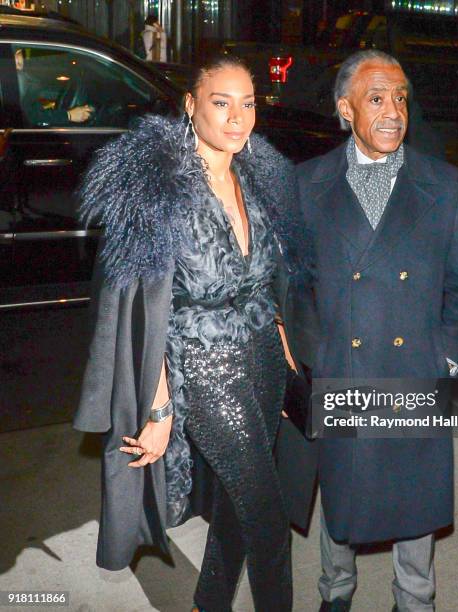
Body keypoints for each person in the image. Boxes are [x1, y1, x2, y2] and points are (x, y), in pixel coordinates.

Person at [74, 56, 313, 612]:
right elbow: (140, 307)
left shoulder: (260, 175)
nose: (238, 119)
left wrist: (281, 342)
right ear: (191, 104)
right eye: (221, 103)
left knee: (237, 510)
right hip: (202, 368)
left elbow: (269, 278)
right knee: (269, 522)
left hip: (262, 359)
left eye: (248, 103)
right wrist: (158, 408)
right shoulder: (157, 187)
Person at [296, 50, 458, 611]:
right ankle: (336, 593)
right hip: (343, 372)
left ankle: (416, 599)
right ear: (344, 108)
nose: (393, 111)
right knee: (341, 496)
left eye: (401, 97)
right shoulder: (306, 185)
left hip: (412, 372)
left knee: (415, 499)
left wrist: (444, 358)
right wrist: (318, 356)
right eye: (376, 98)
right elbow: (294, 286)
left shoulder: (445, 186)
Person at [14, 48, 94, 127]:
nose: (19, 69)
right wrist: (69, 115)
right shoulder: (15, 81)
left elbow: (34, 104)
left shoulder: (22, 80)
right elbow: (28, 117)